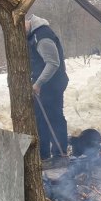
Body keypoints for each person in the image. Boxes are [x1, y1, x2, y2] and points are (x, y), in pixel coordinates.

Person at [25, 14, 69, 160]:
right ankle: (43, 154)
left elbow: (53, 63)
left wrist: (38, 83)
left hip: (52, 85)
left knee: (54, 117)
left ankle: (59, 153)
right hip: (45, 85)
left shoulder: (42, 36)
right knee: (40, 119)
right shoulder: (32, 35)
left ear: (28, 21)